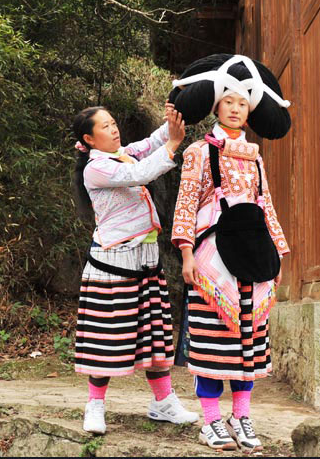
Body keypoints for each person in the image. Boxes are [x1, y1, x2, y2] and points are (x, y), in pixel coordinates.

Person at [169, 54, 292, 452]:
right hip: (212, 259)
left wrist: (277, 254)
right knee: (212, 340)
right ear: (216, 107)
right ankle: (210, 421)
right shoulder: (198, 152)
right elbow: (186, 203)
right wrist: (186, 254)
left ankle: (241, 416)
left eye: (242, 103)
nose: (236, 109)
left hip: (253, 256)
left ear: (249, 110)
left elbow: (265, 204)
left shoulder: (255, 157)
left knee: (248, 342)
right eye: (229, 102)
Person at [72, 104, 199, 435]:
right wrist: (174, 144)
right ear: (89, 138)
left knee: (155, 334)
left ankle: (163, 402)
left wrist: (174, 119)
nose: (114, 129)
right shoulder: (96, 169)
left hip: (146, 259)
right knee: (107, 337)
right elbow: (141, 174)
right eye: (105, 126)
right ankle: (95, 405)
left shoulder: (123, 154)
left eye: (113, 123)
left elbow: (151, 143)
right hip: (113, 263)